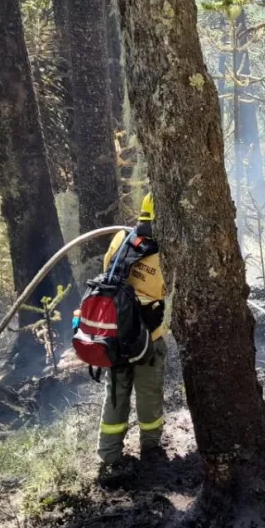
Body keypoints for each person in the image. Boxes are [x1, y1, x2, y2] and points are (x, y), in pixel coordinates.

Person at [96, 193, 169, 485]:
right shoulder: (165, 253)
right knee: (149, 395)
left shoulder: (120, 239)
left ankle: (109, 454)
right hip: (148, 339)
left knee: (115, 394)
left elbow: (106, 272)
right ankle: (150, 451)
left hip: (115, 337)